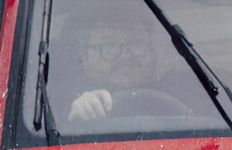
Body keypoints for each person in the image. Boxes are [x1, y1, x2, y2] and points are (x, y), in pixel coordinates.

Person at [62, 18, 206, 126]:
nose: (126, 55)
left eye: (137, 43)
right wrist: (79, 113)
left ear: (152, 53)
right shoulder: (55, 103)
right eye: (109, 46)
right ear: (85, 58)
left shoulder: (188, 89)